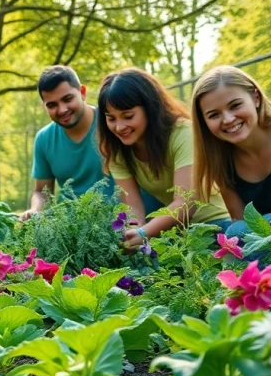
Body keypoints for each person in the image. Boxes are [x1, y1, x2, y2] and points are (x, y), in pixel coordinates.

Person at [97, 68, 231, 249]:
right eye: (111, 118)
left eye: (128, 116)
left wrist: (144, 233)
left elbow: (185, 204)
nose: (119, 127)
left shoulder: (183, 133)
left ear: (149, 108)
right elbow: (133, 207)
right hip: (177, 232)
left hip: (217, 225)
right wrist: (131, 232)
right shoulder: (118, 149)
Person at [191, 66, 271, 238]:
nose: (228, 119)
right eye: (214, 115)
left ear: (255, 98)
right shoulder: (220, 160)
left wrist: (270, 220)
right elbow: (240, 222)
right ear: (204, 122)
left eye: (235, 105)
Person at [22, 65, 115, 219]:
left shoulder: (111, 123)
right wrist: (35, 209)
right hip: (71, 227)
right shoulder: (44, 139)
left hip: (118, 224)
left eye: (67, 99)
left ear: (82, 92)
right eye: (52, 105)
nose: (62, 109)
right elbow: (42, 191)